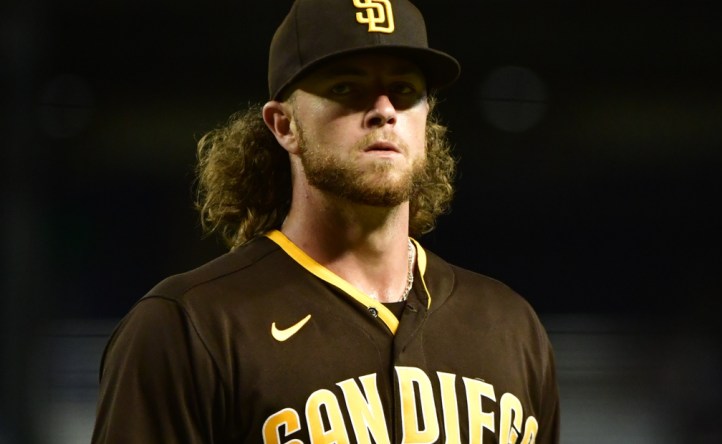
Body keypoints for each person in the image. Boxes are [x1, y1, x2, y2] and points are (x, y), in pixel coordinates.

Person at [91, 0, 560, 442]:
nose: (383, 110)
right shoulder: (190, 326)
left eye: (404, 90)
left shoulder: (509, 325)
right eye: (346, 88)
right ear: (284, 125)